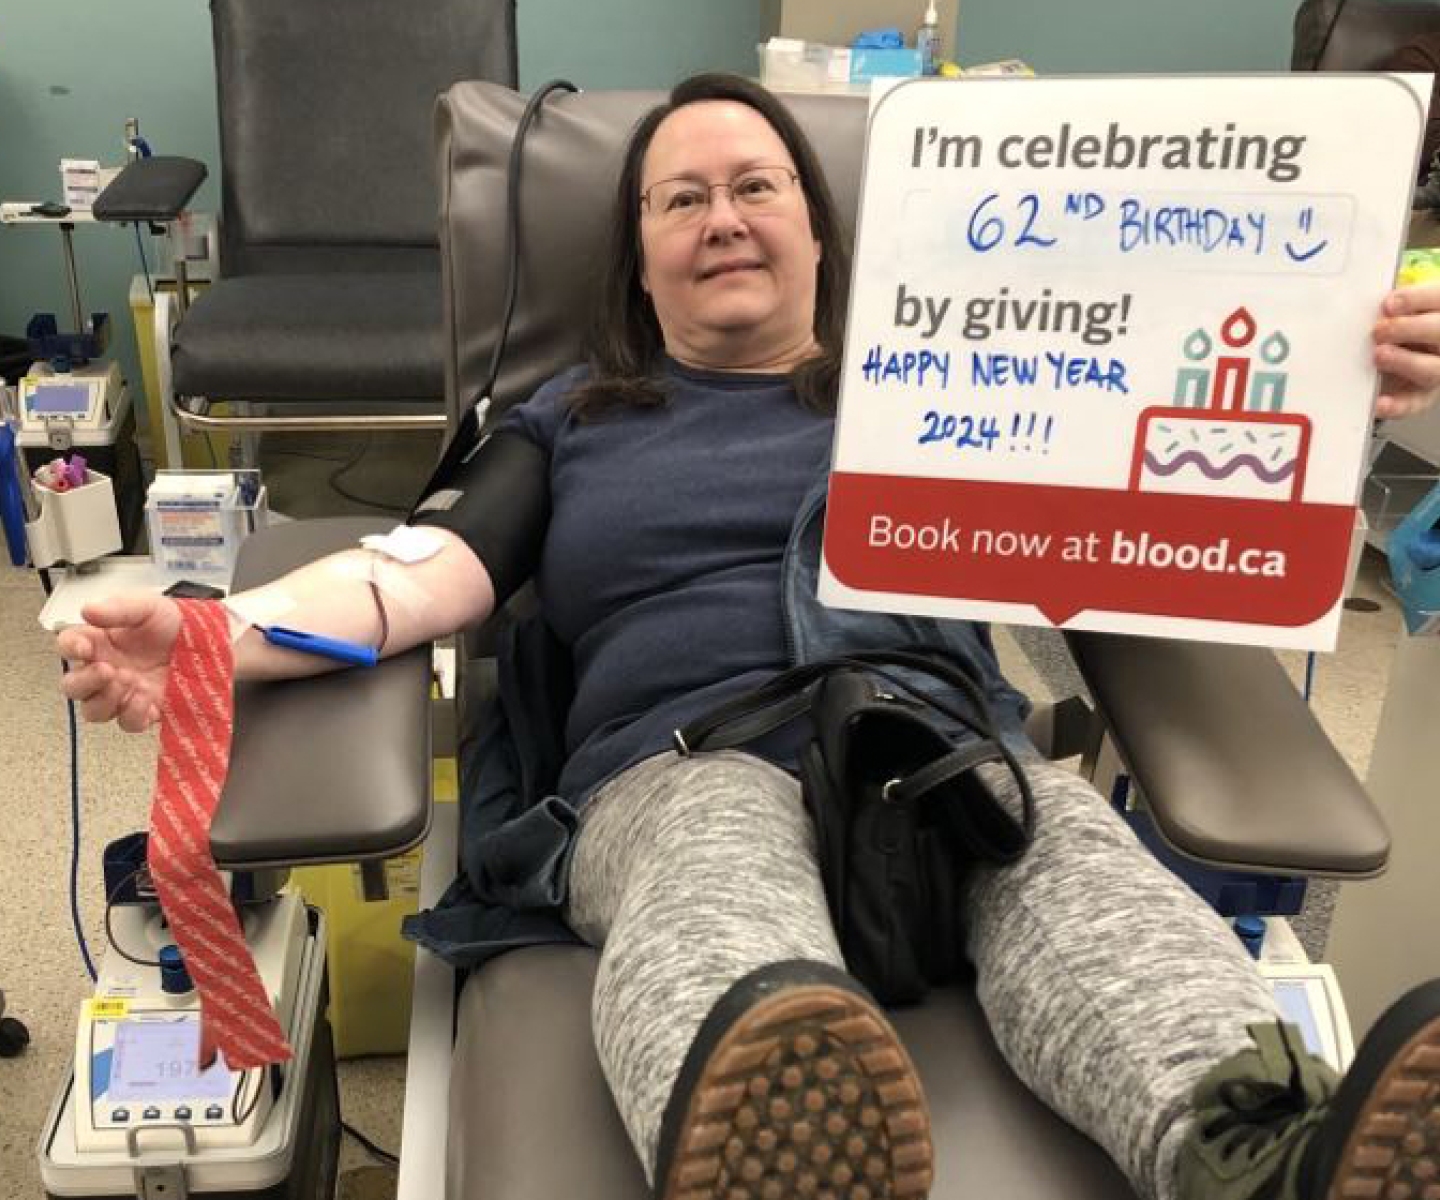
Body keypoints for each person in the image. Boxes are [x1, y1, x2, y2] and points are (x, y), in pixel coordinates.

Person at [58, 74, 1440, 1200]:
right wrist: (203, 637)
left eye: (755, 186)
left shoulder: (953, 383)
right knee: (718, 858)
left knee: (1067, 860)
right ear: (640, 258)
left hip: (939, 756)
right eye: (681, 197)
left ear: (824, 234)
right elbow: (417, 585)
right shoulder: (570, 422)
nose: (721, 215)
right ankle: (779, 1149)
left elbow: (1167, 491)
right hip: (674, 770)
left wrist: (1338, 390)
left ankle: (1274, 1157)